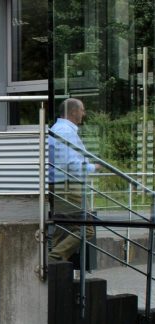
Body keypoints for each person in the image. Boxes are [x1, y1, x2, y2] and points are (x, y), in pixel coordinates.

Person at [48, 98, 99, 262]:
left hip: (60, 184)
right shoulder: (65, 131)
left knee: (61, 229)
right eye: (82, 110)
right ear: (73, 111)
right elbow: (71, 163)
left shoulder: (59, 129)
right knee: (86, 229)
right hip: (68, 186)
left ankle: (50, 267)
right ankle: (51, 260)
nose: (84, 113)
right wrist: (93, 167)